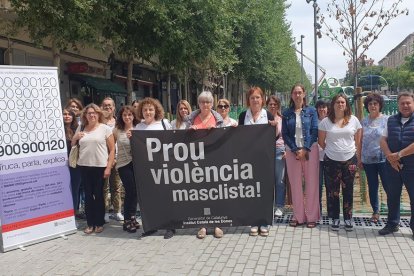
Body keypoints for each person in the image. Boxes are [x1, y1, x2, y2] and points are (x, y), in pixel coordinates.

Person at [318, 93, 361, 231]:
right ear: (333, 104)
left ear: (346, 105)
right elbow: (321, 141)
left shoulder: (354, 120)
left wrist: (357, 156)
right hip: (331, 161)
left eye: (343, 102)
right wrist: (332, 151)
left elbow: (358, 141)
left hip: (350, 160)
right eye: (337, 102)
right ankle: (335, 218)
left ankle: (348, 218)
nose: (340, 104)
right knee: (332, 191)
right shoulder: (325, 122)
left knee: (348, 189)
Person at [72, 104, 115, 234]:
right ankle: (90, 223)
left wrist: (108, 167)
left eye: (95, 112)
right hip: (83, 166)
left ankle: (99, 222)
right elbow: (73, 144)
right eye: (89, 113)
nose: (92, 115)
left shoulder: (105, 129)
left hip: (100, 167)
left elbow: (112, 149)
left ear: (99, 114)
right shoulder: (81, 127)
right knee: (88, 196)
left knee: (99, 195)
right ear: (85, 115)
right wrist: (75, 138)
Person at [135, 97, 174, 239]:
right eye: (145, 110)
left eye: (150, 109)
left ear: (156, 110)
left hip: (162, 166)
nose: (148, 112)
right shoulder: (138, 127)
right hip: (146, 168)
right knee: (150, 198)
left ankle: (170, 226)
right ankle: (151, 226)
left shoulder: (164, 124)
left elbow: (172, 142)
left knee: (165, 196)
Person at [187, 91, 224, 239]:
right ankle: (202, 226)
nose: (205, 104)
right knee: (200, 193)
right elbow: (181, 137)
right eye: (202, 102)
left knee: (216, 192)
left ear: (212, 104)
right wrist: (189, 131)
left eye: (208, 102)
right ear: (199, 103)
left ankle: (217, 225)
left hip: (215, 160)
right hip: (197, 161)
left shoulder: (218, 119)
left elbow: (226, 136)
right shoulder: (191, 119)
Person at [282, 84, 319, 229]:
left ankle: (311, 216)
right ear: (292, 95)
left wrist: (306, 148)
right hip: (292, 152)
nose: (297, 95)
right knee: (295, 185)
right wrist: (295, 149)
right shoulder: (286, 113)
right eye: (295, 93)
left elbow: (314, 130)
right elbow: (285, 134)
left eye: (300, 92)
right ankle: (298, 216)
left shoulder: (311, 111)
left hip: (310, 151)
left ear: (304, 94)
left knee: (311, 184)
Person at [238, 86, 274, 237]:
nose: (255, 100)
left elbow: (275, 138)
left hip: (265, 159)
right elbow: (237, 137)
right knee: (251, 190)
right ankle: (253, 221)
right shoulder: (242, 116)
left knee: (265, 191)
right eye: (252, 97)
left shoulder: (269, 115)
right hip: (248, 159)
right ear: (248, 100)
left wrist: (275, 128)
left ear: (263, 99)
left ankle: (264, 221)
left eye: (258, 97)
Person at [378, 91, 414, 237]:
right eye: (402, 103)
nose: (405, 105)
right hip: (392, 166)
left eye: (408, 103)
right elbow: (382, 140)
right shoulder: (391, 120)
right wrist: (390, 157)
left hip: (412, 166)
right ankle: (392, 224)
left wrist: (398, 155)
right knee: (392, 196)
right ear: (398, 105)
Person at [361, 93, 388, 223]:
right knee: (372, 186)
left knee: (389, 187)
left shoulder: (387, 120)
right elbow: (359, 141)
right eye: (370, 104)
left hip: (384, 160)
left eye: (375, 103)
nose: (373, 106)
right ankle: (375, 212)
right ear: (367, 106)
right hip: (368, 160)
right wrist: (359, 157)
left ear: (380, 105)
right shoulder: (363, 121)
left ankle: (393, 214)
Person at [113, 106, 140, 233]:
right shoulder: (117, 130)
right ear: (121, 117)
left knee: (135, 192)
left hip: (137, 164)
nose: (127, 117)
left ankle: (133, 217)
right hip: (123, 164)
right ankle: (127, 219)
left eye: (130, 114)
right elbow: (111, 147)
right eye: (125, 115)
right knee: (130, 190)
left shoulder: (139, 128)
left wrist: (134, 137)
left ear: (134, 116)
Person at [101, 97, 124, 222]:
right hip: (102, 159)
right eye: (105, 105)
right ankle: (104, 211)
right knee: (104, 187)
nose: (107, 108)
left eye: (110, 105)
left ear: (114, 107)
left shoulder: (118, 123)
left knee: (116, 186)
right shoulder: (99, 123)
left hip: (117, 158)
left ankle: (117, 211)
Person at [266, 95, 285, 218]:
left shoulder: (283, 119)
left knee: (280, 180)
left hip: (279, 150)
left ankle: (279, 206)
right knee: (267, 181)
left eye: (275, 104)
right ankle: (267, 206)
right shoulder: (262, 118)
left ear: (278, 106)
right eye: (270, 104)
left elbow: (288, 135)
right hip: (265, 151)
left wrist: (287, 150)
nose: (273, 106)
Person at [63, 108, 81, 218]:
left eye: (69, 114)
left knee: (74, 189)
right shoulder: (56, 130)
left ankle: (74, 213)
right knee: (64, 189)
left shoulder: (77, 129)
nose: (67, 116)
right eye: (64, 114)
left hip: (75, 164)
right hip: (61, 164)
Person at [315, 99, 329, 214]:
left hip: (330, 157)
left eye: (324, 107)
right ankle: (318, 209)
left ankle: (331, 210)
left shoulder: (331, 121)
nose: (322, 109)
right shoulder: (314, 122)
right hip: (317, 158)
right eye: (319, 107)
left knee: (330, 185)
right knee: (318, 185)